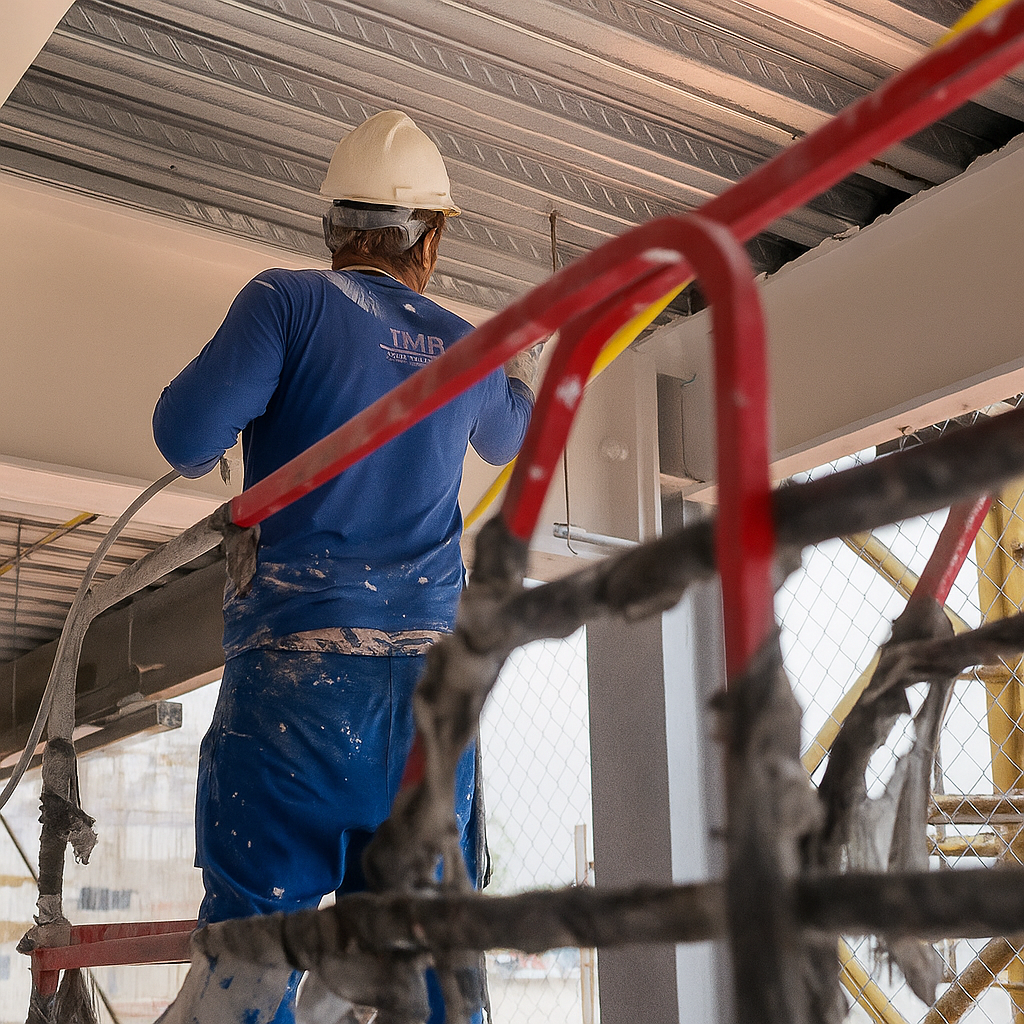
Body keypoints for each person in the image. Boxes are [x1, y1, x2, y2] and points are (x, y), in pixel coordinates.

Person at [152, 110, 535, 1024]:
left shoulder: (286, 303)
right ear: (432, 239)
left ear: (333, 227)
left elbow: (183, 436)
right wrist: (516, 366)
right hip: (428, 713)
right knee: (431, 964)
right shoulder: (465, 346)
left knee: (254, 960)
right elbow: (511, 434)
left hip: (299, 690)